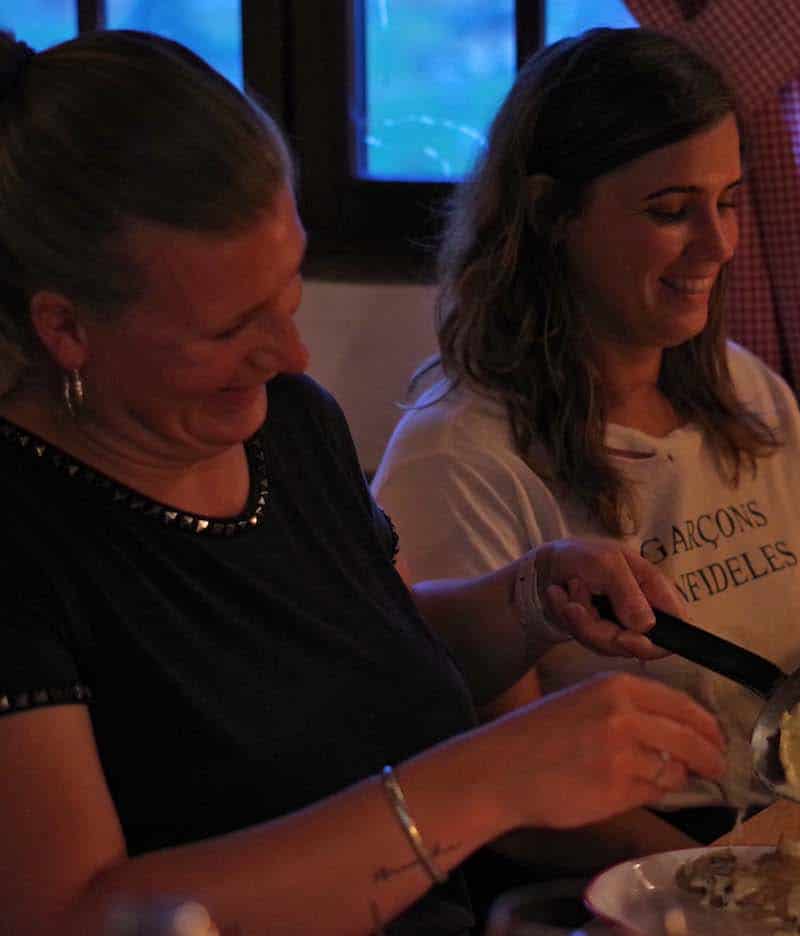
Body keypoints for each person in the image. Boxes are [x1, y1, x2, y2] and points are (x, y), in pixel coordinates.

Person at [0, 29, 728, 936]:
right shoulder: (22, 538)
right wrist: (492, 779)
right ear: (65, 327)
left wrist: (526, 602)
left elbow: (368, 659)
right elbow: (73, 916)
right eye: (231, 329)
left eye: (290, 293)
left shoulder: (290, 424)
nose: (291, 354)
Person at [371, 27, 800, 847]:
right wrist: (724, 884)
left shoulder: (742, 390)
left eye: (729, 201)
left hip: (796, 821)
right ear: (550, 214)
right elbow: (508, 788)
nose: (719, 244)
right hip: (640, 871)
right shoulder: (459, 455)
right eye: (671, 211)